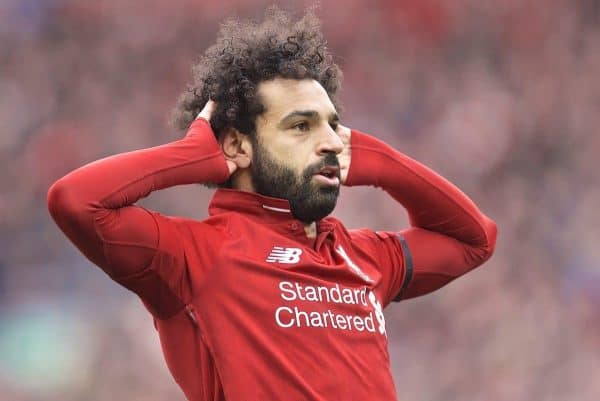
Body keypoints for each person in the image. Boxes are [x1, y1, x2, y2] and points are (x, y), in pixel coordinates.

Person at [47, 7, 497, 401]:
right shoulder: (194, 257)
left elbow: (474, 240)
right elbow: (76, 201)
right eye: (301, 127)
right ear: (237, 147)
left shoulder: (362, 257)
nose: (329, 143)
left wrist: (383, 163)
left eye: (333, 126)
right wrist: (191, 158)